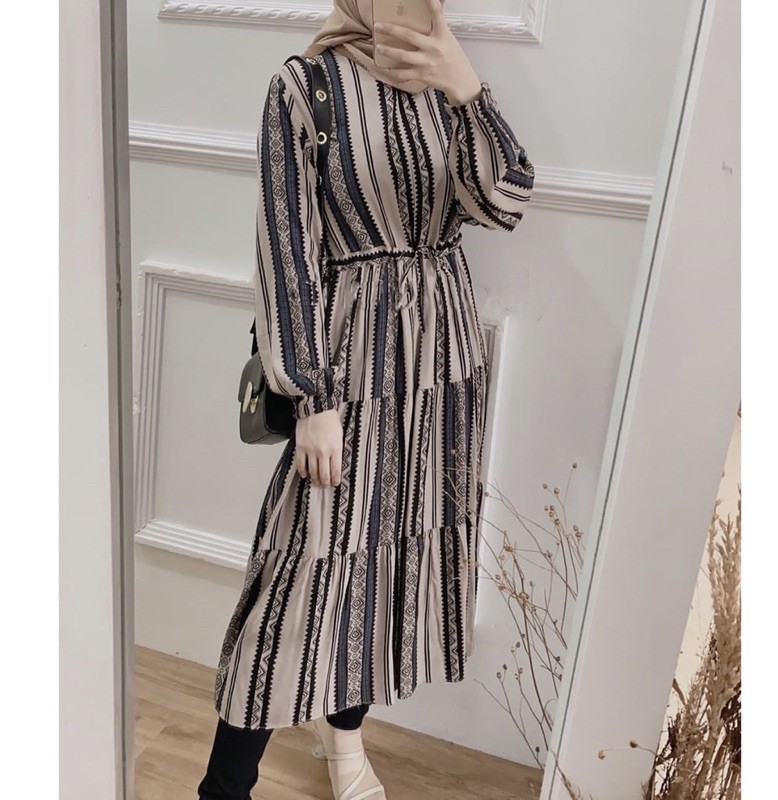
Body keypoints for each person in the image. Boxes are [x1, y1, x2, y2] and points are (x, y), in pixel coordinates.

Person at [197, 1, 536, 798]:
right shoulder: (304, 87)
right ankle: (224, 786)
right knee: (302, 566)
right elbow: (284, 249)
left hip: (442, 362)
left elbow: (506, 202)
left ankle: (345, 741)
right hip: (348, 364)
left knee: (390, 561)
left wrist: (466, 87)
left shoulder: (445, 79)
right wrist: (311, 398)